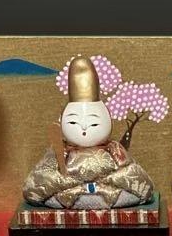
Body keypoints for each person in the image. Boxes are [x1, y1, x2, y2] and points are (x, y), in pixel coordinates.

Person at [23, 55, 154, 209]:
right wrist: (68, 181)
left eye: (94, 123)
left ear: (108, 120)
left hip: (110, 193)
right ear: (62, 121)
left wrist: (109, 179)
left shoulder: (114, 149)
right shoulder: (60, 151)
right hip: (67, 194)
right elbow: (33, 186)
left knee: (131, 192)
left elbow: (141, 181)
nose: (84, 128)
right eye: (73, 122)